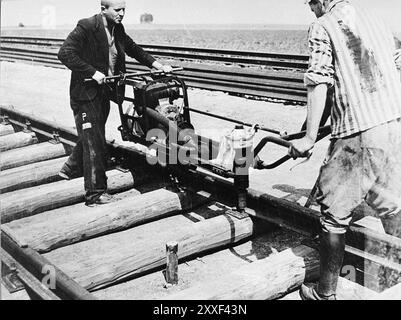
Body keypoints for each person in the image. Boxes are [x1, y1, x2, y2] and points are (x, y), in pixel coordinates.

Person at [289, 0, 401, 300]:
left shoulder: (322, 26)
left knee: (334, 215)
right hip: (393, 125)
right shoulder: (376, 16)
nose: (311, 10)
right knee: (391, 203)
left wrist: (309, 137)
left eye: (311, 4)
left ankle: (324, 294)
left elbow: (319, 82)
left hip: (359, 133)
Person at [58, 0, 172, 207]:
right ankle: (95, 194)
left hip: (105, 93)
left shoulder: (117, 28)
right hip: (85, 95)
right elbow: (65, 53)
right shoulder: (86, 26)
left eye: (124, 10)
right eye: (117, 10)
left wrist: (157, 65)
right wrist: (93, 73)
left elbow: (133, 48)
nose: (122, 14)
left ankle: (70, 168)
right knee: (95, 141)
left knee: (93, 134)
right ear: (104, 9)